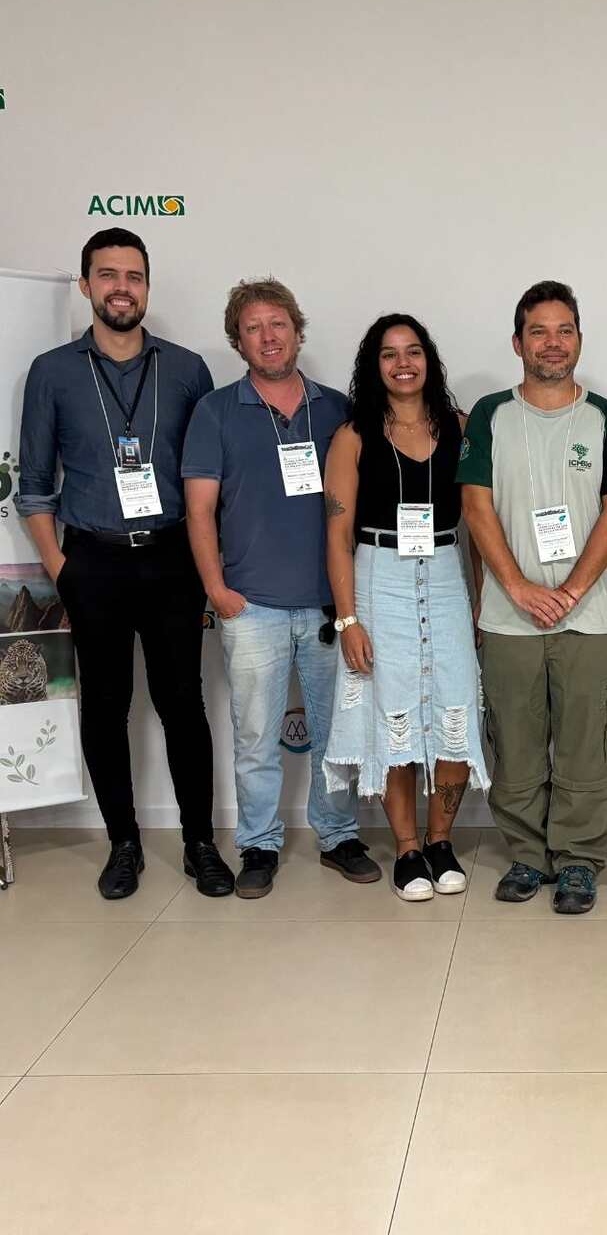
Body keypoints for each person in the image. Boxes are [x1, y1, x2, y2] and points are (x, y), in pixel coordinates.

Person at [15, 228, 233, 900]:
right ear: (86, 285)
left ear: (147, 287)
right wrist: (61, 567)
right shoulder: (52, 372)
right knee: (106, 709)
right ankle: (124, 844)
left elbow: (209, 480)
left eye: (133, 276)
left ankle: (200, 843)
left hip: (171, 560)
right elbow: (33, 484)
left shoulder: (188, 370)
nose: (121, 287)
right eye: (107, 275)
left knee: (183, 705)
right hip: (93, 563)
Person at [183, 278, 379, 898]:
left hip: (330, 607)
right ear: (238, 341)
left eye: (278, 324)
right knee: (254, 738)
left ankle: (338, 834)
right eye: (253, 328)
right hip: (252, 607)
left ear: (297, 331)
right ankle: (259, 845)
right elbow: (198, 511)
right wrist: (217, 590)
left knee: (337, 734)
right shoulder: (216, 411)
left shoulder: (337, 409)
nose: (268, 337)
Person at [458, 280, 607, 914]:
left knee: (586, 745)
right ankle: (528, 855)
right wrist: (517, 586)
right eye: (539, 331)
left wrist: (572, 589)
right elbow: (475, 507)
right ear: (518, 343)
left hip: (584, 616)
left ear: (579, 340)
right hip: (509, 616)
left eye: (565, 331)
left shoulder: (604, 417)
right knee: (515, 742)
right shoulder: (490, 415)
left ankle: (580, 859)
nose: (553, 343)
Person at [321, 314, 489, 901]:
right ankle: (408, 849)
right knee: (393, 714)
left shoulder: (460, 428)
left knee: (454, 713)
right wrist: (348, 619)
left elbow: (479, 526)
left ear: (428, 360)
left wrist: (480, 600)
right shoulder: (353, 436)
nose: (403, 364)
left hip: (444, 575)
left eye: (413, 351)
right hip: (379, 580)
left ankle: (441, 841)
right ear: (374, 366)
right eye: (389, 354)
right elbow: (337, 536)